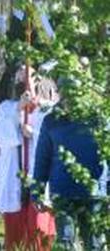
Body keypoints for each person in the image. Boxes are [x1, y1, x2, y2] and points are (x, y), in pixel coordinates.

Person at [33, 82, 108, 250]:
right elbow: (42, 158)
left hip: (93, 192)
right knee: (67, 242)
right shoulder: (51, 120)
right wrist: (37, 190)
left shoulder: (98, 118)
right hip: (64, 191)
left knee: (94, 243)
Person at [0, 66, 57, 250]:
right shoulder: (6, 107)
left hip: (38, 178)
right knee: (14, 236)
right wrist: (18, 110)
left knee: (38, 231)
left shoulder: (47, 110)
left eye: (27, 77)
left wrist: (33, 134)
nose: (23, 81)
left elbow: (54, 141)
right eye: (19, 77)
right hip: (14, 179)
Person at [0, 0, 68, 101]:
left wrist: (49, 65)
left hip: (48, 73)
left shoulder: (63, 18)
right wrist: (1, 29)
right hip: (21, 68)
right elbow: (12, 40)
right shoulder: (24, 10)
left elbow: (63, 49)